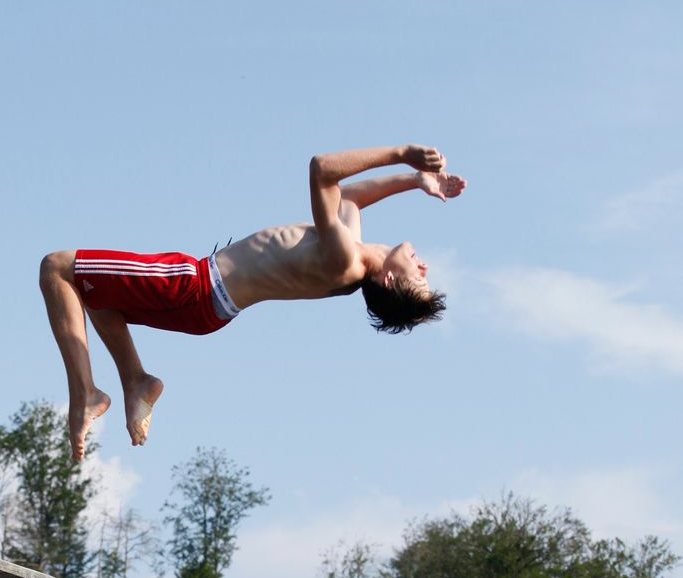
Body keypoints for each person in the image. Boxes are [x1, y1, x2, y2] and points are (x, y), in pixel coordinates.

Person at [40, 143, 467, 458]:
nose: (425, 268)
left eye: (420, 280)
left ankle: (85, 394)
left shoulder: (345, 260)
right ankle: (135, 380)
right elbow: (349, 197)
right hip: (209, 307)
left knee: (57, 268)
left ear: (390, 280)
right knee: (94, 290)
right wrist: (414, 181)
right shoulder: (352, 245)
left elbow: (322, 171)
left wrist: (402, 154)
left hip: (196, 285)